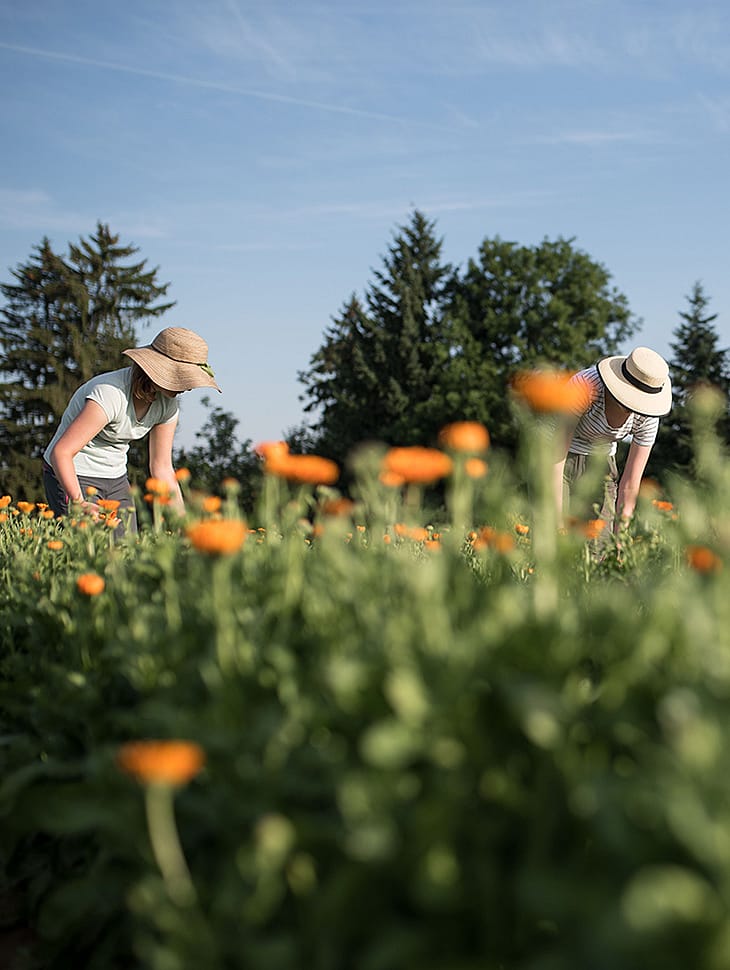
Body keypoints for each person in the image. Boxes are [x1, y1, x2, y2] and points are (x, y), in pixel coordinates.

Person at [43, 327, 220, 532]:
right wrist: (79, 502)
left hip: (116, 477)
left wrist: (183, 523)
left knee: (126, 551)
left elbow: (162, 467)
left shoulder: (168, 405)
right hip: (71, 472)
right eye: (182, 378)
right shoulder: (110, 394)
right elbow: (61, 452)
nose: (187, 387)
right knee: (88, 551)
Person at [553, 346, 672, 535]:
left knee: (598, 544)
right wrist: (557, 522)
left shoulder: (648, 417)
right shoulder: (586, 386)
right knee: (551, 540)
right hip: (559, 457)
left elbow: (631, 483)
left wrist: (620, 538)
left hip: (602, 463)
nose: (636, 407)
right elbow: (555, 456)